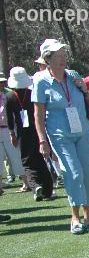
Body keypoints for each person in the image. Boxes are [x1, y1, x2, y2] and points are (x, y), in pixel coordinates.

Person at [32, 39, 89, 234]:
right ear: (48, 59)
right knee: (73, 172)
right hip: (60, 134)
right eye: (58, 56)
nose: (63, 59)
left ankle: (88, 218)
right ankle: (75, 218)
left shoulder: (74, 76)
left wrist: (85, 89)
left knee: (88, 172)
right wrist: (42, 140)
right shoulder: (40, 81)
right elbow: (38, 114)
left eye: (64, 55)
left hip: (83, 131)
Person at [8, 67, 52, 201]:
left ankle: (35, 185)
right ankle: (48, 189)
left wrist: (12, 134)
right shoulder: (32, 93)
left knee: (27, 161)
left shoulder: (10, 97)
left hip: (23, 132)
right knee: (40, 159)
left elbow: (10, 118)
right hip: (36, 129)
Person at [0, 75, 29, 196]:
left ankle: (26, 183)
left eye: (2, 82)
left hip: (8, 129)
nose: (1, 84)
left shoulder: (9, 95)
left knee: (16, 156)